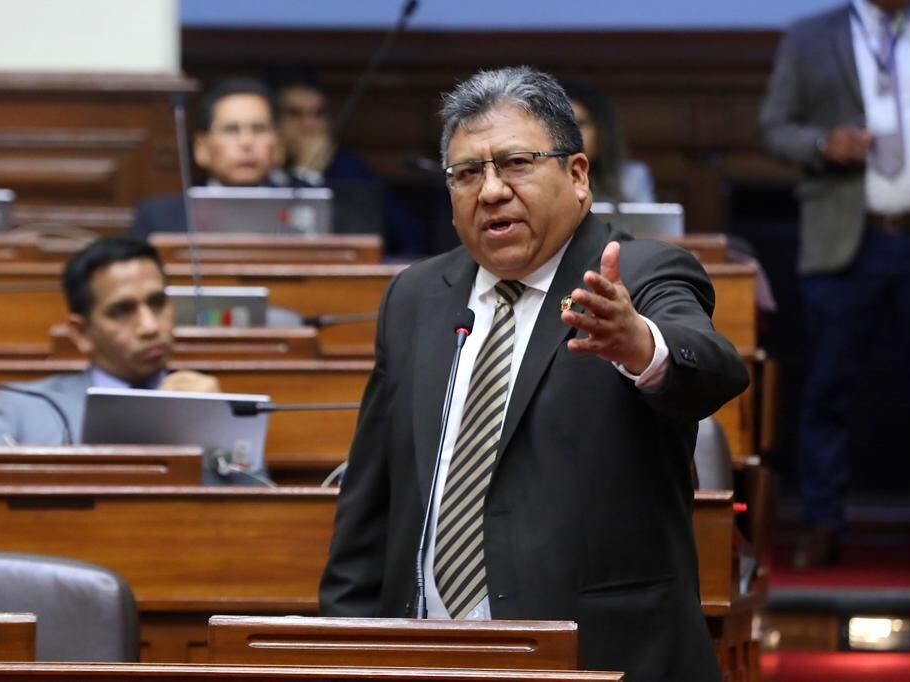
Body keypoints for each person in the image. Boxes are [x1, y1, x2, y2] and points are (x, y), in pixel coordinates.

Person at [319, 66, 749, 680]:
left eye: (516, 163)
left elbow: (713, 371)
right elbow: (370, 503)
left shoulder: (640, 273)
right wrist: (346, 646)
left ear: (577, 176)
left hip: (599, 658)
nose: (490, 190)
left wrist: (639, 345)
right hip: (424, 658)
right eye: (468, 173)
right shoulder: (416, 297)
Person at [759, 0, 910, 569]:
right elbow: (772, 128)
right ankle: (823, 522)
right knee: (827, 390)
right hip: (844, 239)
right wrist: (823, 145)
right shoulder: (809, 38)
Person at [0, 237, 219, 445]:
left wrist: (215, 425)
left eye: (157, 303)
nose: (150, 327)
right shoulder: (25, 408)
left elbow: (246, 500)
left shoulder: (204, 400)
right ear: (81, 333)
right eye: (122, 310)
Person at [271, 70, 425, 255]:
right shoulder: (260, 168)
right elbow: (283, 237)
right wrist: (305, 174)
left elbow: (406, 235)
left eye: (318, 114)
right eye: (295, 114)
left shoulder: (349, 169)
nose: (309, 125)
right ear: (275, 122)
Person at [130, 78, 289, 239]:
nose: (246, 142)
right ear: (202, 148)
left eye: (259, 129)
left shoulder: (306, 212)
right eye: (231, 130)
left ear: (278, 145)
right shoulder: (160, 218)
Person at [559, 78, 655, 204]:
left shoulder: (631, 179)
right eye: (564, 126)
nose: (572, 135)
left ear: (601, 131)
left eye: (580, 124)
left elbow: (645, 224)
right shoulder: (542, 178)